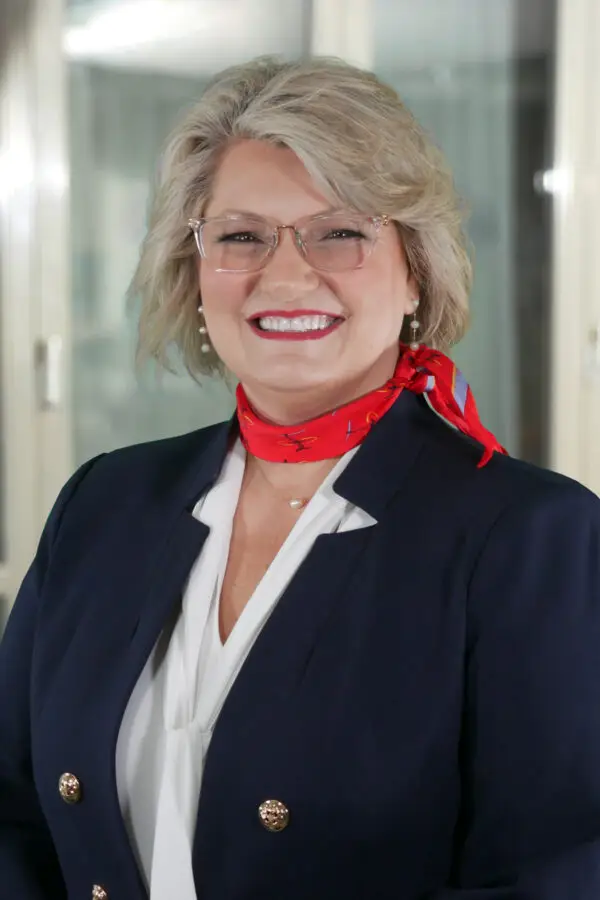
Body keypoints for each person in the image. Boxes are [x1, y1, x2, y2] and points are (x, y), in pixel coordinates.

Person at [1, 55, 600, 900]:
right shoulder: (102, 502)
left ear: (415, 272)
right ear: (196, 272)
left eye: (341, 232)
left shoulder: (533, 537)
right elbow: (13, 817)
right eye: (241, 235)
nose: (284, 276)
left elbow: (553, 877)